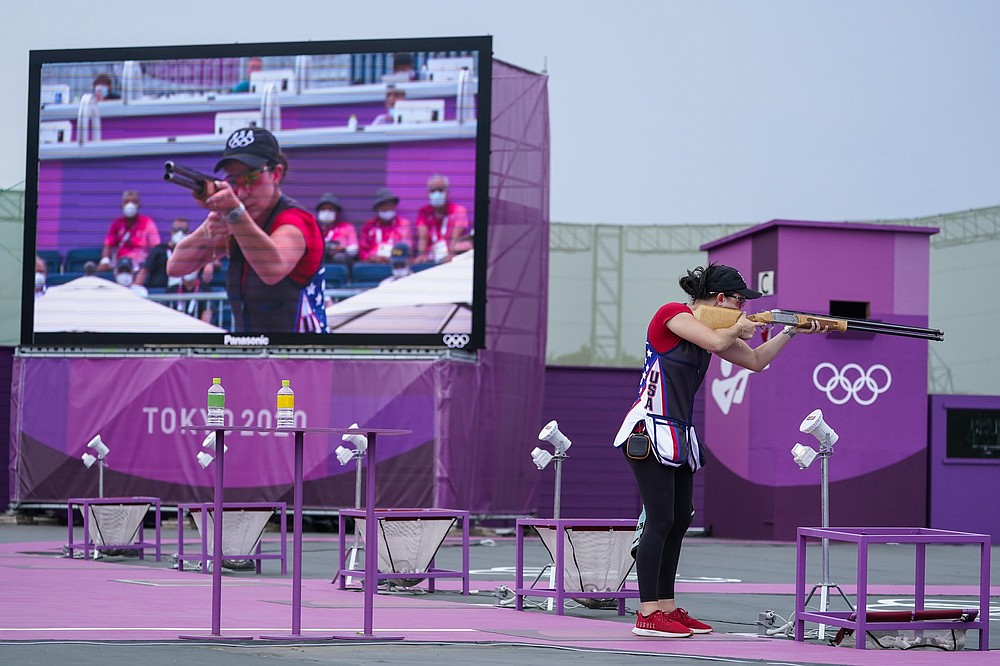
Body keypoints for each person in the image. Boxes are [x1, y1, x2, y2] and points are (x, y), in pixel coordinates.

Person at [613, 263, 826, 638]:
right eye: (739, 301)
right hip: (648, 429)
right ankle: (647, 612)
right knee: (661, 519)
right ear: (721, 298)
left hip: (677, 432)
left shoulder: (715, 330)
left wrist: (791, 331)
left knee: (678, 520)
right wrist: (740, 327)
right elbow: (715, 342)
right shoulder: (672, 314)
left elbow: (756, 361)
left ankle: (666, 606)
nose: (743, 309)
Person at [166, 127, 327, 333]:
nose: (242, 190)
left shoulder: (295, 220)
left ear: (275, 174)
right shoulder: (240, 220)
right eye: (233, 180)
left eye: (251, 177)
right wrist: (208, 228)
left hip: (301, 358)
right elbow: (176, 266)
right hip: (253, 355)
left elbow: (272, 269)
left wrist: (234, 213)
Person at [135, 217, 214, 289]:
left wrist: (209, 263)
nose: (179, 233)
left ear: (188, 233)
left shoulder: (193, 250)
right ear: (171, 231)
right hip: (162, 291)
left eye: (183, 231)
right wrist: (137, 287)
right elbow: (145, 270)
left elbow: (213, 258)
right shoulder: (158, 250)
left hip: (185, 291)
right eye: (176, 230)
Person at [98, 190, 161, 271]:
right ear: (121, 204)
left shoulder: (148, 223)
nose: (130, 205)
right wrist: (105, 260)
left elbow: (156, 247)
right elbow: (108, 244)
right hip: (120, 265)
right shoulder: (117, 224)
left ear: (139, 204)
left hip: (141, 266)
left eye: (134, 202)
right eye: (126, 202)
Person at [414, 174, 471, 264]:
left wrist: (450, 256)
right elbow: (422, 237)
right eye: (433, 191)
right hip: (431, 258)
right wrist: (421, 255)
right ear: (428, 193)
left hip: (451, 255)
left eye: (440, 190)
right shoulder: (424, 212)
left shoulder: (458, 210)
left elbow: (455, 238)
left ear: (447, 192)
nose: (437, 194)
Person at [358, 188, 412, 262]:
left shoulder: (403, 224)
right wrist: (371, 257)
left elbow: (407, 249)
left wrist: (392, 255)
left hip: (396, 262)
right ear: (378, 208)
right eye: (384, 205)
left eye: (390, 205)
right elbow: (362, 251)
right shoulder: (369, 226)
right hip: (374, 263)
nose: (388, 208)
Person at [315, 194, 358, 263]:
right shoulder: (313, 228)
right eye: (323, 209)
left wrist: (344, 249)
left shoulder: (346, 227)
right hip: (318, 261)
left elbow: (354, 249)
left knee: (339, 257)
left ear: (336, 212)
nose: (327, 212)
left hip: (339, 261)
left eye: (330, 209)